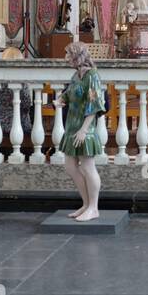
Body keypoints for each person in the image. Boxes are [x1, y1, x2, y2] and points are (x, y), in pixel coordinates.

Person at [54, 42, 106, 222]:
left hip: (85, 128)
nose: (66, 58)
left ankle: (94, 207)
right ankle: (86, 203)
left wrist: (84, 130)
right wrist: (61, 99)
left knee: (87, 166)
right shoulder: (76, 75)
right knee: (70, 166)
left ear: (78, 56)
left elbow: (94, 104)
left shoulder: (92, 76)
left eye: (68, 55)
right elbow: (69, 93)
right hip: (72, 125)